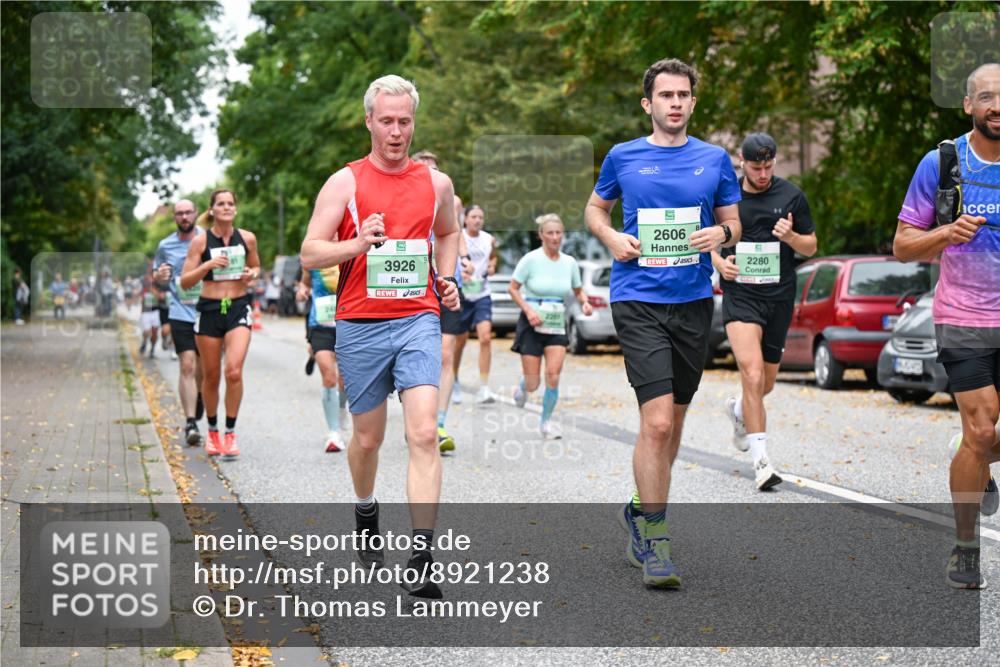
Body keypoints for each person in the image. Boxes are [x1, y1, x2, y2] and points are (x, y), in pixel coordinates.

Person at [300, 74, 461, 599]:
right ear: (369, 120)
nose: (396, 132)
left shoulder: (435, 184)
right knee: (367, 439)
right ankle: (366, 510)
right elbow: (310, 253)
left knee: (421, 433)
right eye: (386, 121)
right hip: (360, 323)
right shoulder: (343, 183)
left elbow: (449, 231)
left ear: (414, 121)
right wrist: (357, 246)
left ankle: (422, 555)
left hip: (418, 317)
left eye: (405, 122)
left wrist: (448, 277)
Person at [585, 58, 741, 588]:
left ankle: (638, 506)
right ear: (648, 104)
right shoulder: (623, 156)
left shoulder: (715, 159)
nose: (675, 103)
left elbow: (733, 222)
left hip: (694, 301)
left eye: (683, 95)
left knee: (671, 426)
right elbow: (595, 211)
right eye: (665, 95)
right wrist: (610, 239)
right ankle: (656, 541)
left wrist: (721, 238)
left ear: (693, 102)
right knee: (654, 423)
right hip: (638, 299)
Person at [893, 63, 1000, 589]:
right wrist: (945, 234)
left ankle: (978, 466)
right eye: (986, 98)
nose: (996, 107)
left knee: (981, 443)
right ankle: (964, 549)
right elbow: (902, 244)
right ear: (968, 106)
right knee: (980, 431)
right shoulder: (943, 162)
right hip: (964, 316)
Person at [711, 133, 817, 491]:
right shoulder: (726, 197)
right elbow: (705, 237)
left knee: (765, 383)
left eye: (768, 166)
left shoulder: (791, 195)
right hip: (741, 296)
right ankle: (762, 463)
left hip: (778, 298)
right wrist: (717, 264)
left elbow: (812, 245)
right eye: (756, 167)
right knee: (753, 374)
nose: (762, 173)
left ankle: (739, 410)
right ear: (742, 162)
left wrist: (790, 238)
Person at [180, 189, 261, 459]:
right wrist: (208, 265)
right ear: (212, 210)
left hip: (237, 306)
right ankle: (213, 431)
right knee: (212, 375)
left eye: (230, 204)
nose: (226, 207)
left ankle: (231, 433)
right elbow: (185, 281)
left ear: (235, 210)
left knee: (234, 372)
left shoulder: (247, 238)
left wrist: (252, 275)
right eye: (220, 204)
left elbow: (256, 268)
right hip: (210, 308)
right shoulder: (200, 242)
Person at [509, 214, 593, 439]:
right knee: (533, 382)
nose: (555, 237)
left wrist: (585, 302)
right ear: (541, 235)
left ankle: (545, 423)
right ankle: (522, 387)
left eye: (559, 233)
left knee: (553, 375)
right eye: (550, 233)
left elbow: (577, 290)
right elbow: (513, 288)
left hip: (556, 324)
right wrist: (528, 311)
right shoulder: (530, 259)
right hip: (532, 323)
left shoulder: (570, 263)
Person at [412, 149, 471, 453]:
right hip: (416, 287)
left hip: (447, 282)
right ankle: (420, 418)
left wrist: (464, 258)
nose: (431, 173)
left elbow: (454, 231)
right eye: (424, 168)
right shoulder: (406, 197)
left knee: (446, 354)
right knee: (422, 356)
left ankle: (439, 422)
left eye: (435, 168)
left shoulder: (451, 199)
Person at [154, 199, 206, 446]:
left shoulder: (209, 239)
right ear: (174, 217)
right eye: (180, 213)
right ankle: (190, 423)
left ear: (195, 214)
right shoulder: (165, 245)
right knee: (187, 365)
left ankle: (200, 398)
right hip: (180, 311)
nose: (184, 217)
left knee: (205, 370)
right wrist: (159, 276)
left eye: (188, 212)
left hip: (208, 311)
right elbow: (158, 276)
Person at [299, 265, 350, 453]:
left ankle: (341, 407)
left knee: (345, 380)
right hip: (320, 324)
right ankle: (334, 433)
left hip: (348, 322)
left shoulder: (351, 251)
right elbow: (304, 283)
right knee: (329, 376)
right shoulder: (314, 258)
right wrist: (302, 291)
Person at [451, 204, 499, 405]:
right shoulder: (457, 236)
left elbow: (494, 257)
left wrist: (492, 265)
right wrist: (459, 274)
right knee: (460, 341)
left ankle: (484, 386)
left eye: (481, 217)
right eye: (474, 217)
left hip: (482, 294)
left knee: (485, 337)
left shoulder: (489, 239)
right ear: (465, 219)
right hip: (463, 294)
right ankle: (453, 381)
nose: (478, 220)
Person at [138, 273, 161, 357]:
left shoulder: (157, 287)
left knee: (155, 332)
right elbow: (139, 297)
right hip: (145, 312)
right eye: (147, 279)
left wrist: (152, 289)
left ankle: (152, 348)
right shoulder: (143, 288)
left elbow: (159, 297)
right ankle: (144, 342)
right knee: (146, 331)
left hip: (155, 312)